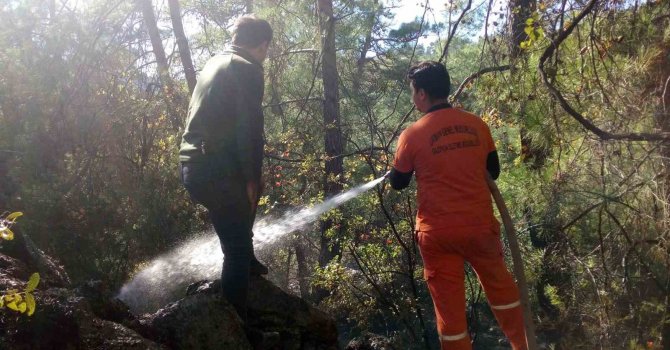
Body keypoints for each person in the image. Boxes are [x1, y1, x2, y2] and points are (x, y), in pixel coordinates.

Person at [389, 61, 528, 350]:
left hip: (437, 234)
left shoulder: (411, 135)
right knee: (504, 294)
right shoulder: (477, 124)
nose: (412, 97)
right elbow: (494, 170)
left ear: (423, 94)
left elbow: (398, 183)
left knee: (450, 317)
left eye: (412, 91)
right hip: (480, 229)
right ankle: (525, 345)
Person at [179, 15, 272, 322]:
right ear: (261, 46)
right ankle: (235, 325)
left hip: (193, 164)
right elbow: (249, 130)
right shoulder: (247, 69)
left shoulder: (216, 62)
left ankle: (248, 260)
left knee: (235, 225)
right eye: (267, 49)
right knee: (235, 249)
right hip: (213, 168)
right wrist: (252, 177)